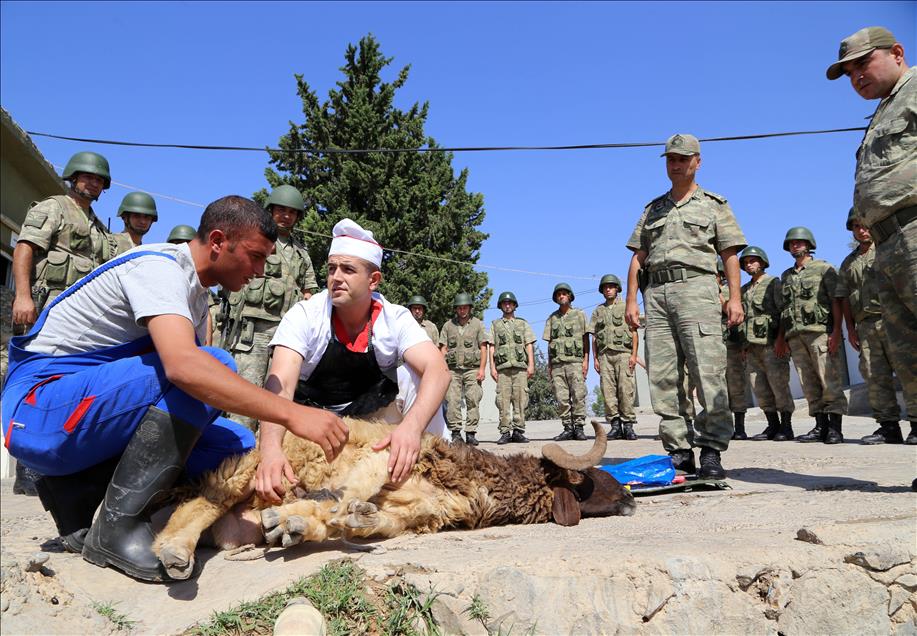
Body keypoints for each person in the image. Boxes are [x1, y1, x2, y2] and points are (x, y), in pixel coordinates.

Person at [1, 195, 350, 583]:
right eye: (255, 256)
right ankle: (117, 530)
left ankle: (78, 493)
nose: (260, 270)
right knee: (209, 365)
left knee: (235, 447)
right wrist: (292, 412)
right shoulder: (159, 268)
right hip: (40, 410)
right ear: (217, 241)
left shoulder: (196, 294)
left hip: (78, 418)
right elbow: (184, 368)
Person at [255, 218, 450, 501]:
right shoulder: (305, 315)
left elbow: (439, 369)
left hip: (370, 423)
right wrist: (271, 450)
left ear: (373, 280)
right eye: (332, 268)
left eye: (348, 269)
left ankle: (432, 468)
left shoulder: (394, 318)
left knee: (416, 375)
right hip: (312, 421)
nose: (336, 277)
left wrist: (412, 427)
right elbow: (280, 385)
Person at [625, 133, 746, 479]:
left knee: (707, 373)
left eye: (682, 159)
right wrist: (632, 300)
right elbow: (638, 257)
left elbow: (729, 254)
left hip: (698, 290)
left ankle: (711, 450)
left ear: (697, 161)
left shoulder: (714, 204)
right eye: (670, 159)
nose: (675, 165)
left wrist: (735, 298)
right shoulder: (653, 210)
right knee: (663, 377)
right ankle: (679, 450)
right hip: (658, 294)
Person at [827, 26, 916, 445]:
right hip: (888, 243)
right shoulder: (882, 111)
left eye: (863, 62)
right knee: (908, 353)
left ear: (897, 52)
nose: (856, 76)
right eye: (849, 72)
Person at [9, 151, 114, 496]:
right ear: (72, 177)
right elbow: (24, 248)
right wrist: (22, 296)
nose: (92, 182)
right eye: (86, 176)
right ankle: (27, 472)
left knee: (67, 390)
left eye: (98, 179)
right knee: (35, 387)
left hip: (78, 322)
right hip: (44, 310)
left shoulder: (100, 228)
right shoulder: (53, 208)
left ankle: (52, 468)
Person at [224, 185, 318, 430]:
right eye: (281, 210)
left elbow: (310, 291)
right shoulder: (253, 240)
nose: (286, 215)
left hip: (286, 334)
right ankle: (236, 451)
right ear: (271, 210)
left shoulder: (301, 254)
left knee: (277, 397)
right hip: (252, 332)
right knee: (247, 394)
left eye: (291, 212)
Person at [774, 227, 848, 443]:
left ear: (808, 244)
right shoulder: (786, 276)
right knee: (809, 383)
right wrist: (782, 337)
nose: (795, 245)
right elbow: (783, 309)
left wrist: (836, 332)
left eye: (799, 242)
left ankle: (835, 428)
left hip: (820, 333)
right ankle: (820, 426)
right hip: (795, 337)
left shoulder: (824, 269)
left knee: (828, 379)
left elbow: (836, 300)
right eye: (791, 243)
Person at [836, 209, 904, 444]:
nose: (861, 230)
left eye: (864, 225)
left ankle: (915, 423)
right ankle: (889, 427)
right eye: (856, 227)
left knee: (908, 371)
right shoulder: (848, 262)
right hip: (865, 325)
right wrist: (851, 329)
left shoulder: (888, 248)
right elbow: (844, 296)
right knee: (875, 376)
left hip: (894, 320)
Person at [739, 246, 795, 441]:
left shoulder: (774, 283)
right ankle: (772, 425)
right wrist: (744, 347)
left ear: (762, 262)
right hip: (752, 346)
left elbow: (783, 312)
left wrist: (781, 339)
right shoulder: (744, 290)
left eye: (753, 261)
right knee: (760, 387)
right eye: (746, 262)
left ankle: (786, 427)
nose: (749, 264)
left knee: (779, 385)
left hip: (771, 343)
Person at [588, 274, 638, 440]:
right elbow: (594, 337)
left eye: (611, 286)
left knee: (626, 389)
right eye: (605, 287)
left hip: (623, 353)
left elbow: (633, 331)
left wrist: (634, 355)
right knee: (608, 391)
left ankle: (628, 425)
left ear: (617, 288)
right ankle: (615, 426)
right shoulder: (598, 311)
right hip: (604, 355)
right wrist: (595, 358)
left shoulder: (626, 306)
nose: (608, 289)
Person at [439, 292, 488, 445]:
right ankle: (455, 433)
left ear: (469, 308)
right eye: (459, 308)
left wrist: (482, 369)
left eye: (465, 307)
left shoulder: (478, 324)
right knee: (452, 400)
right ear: (456, 309)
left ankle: (471, 433)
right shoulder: (448, 326)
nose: (462, 310)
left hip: (472, 369)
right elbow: (443, 349)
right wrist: (444, 369)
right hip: (453, 370)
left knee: (473, 399)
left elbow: (483, 347)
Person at [488, 291, 536, 444]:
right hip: (502, 369)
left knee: (521, 400)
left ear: (515, 305)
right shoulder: (495, 324)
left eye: (510, 303)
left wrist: (531, 365)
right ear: (501, 306)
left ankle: (518, 431)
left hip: (520, 368)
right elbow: (492, 347)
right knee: (502, 401)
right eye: (504, 303)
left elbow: (528, 345)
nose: (507, 305)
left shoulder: (523, 324)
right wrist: (492, 368)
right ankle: (504, 432)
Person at [544, 282, 590, 441]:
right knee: (561, 397)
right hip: (557, 365)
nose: (561, 296)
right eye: (558, 294)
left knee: (578, 394)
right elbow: (549, 344)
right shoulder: (552, 318)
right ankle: (567, 428)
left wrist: (586, 361)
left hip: (575, 363)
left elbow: (586, 339)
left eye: (564, 293)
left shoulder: (580, 314)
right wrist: (549, 366)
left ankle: (579, 427)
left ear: (570, 296)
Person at [718, 259, 749, 439]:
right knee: (718, 390)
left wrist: (719, 296)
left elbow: (730, 311)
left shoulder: (729, 292)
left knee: (736, 386)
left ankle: (740, 427)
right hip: (712, 346)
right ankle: (724, 427)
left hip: (730, 345)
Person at [108, 192, 158, 257]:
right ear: (125, 217)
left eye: (147, 217)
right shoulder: (110, 244)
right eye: (136, 216)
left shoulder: (146, 252)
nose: (142, 221)